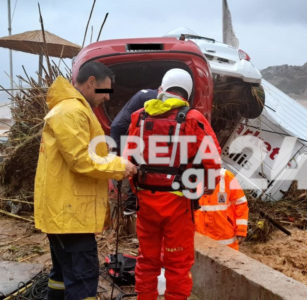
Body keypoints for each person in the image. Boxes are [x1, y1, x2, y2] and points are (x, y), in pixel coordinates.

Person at [34, 61, 137, 300]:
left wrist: (111, 160)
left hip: (65, 212)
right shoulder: (71, 111)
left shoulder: (72, 109)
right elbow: (81, 159)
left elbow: (84, 153)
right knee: (83, 278)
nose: (108, 98)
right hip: (70, 215)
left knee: (62, 274)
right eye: (105, 91)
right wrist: (118, 166)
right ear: (91, 83)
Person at [125, 68, 221, 300]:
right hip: (178, 205)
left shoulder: (140, 116)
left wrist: (138, 190)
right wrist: (206, 187)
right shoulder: (192, 118)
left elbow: (130, 160)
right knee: (177, 264)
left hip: (146, 203)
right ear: (186, 92)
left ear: (163, 88)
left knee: (147, 260)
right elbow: (213, 162)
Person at [110, 89, 158, 215]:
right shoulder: (154, 97)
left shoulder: (145, 94)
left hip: (120, 128)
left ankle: (128, 203)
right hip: (124, 131)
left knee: (130, 164)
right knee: (135, 165)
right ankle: (130, 204)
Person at [194, 168, 249, 250]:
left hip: (224, 240)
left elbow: (240, 203)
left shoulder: (227, 176)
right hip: (198, 237)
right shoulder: (189, 177)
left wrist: (241, 230)